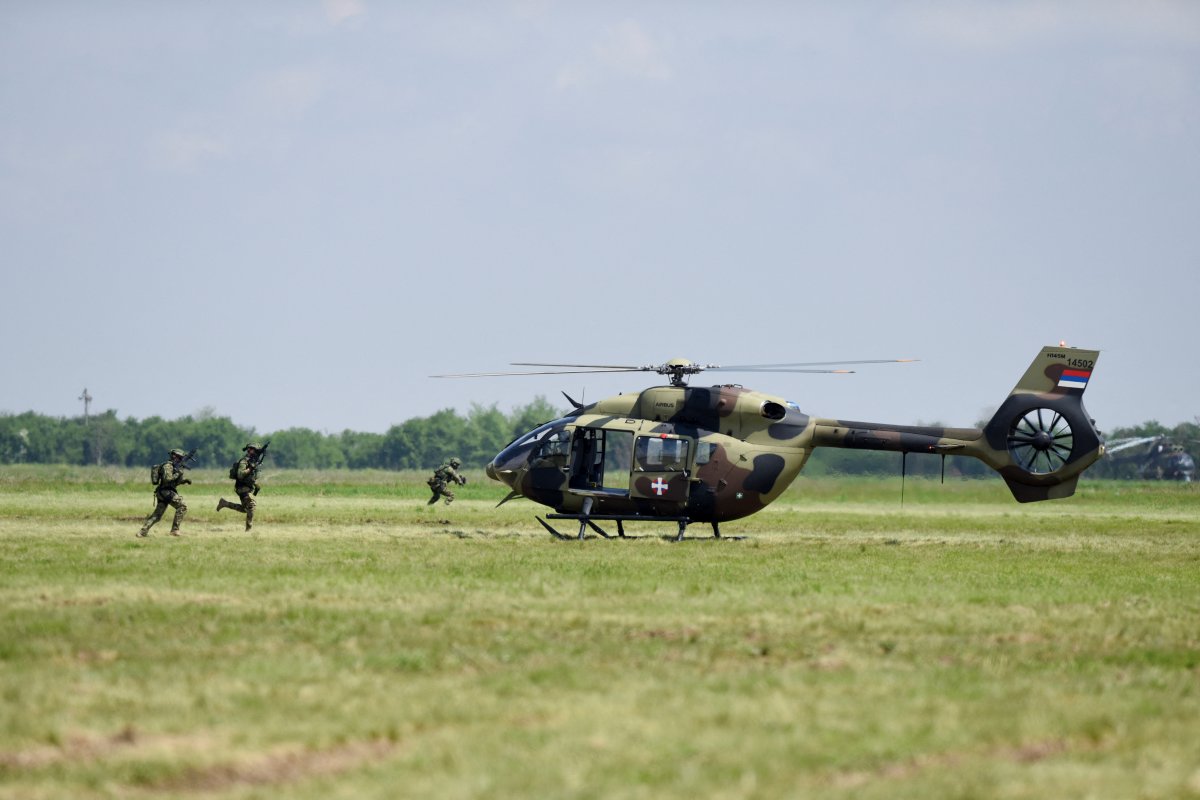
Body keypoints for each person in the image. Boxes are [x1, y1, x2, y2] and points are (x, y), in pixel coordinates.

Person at [139, 449, 191, 537]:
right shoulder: (168, 466)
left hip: (164, 492)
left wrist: (184, 481)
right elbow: (168, 479)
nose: (181, 460)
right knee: (182, 507)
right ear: (174, 457)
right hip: (166, 492)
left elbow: (174, 483)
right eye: (180, 458)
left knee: (157, 515)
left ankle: (142, 532)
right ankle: (175, 530)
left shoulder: (174, 466)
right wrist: (178, 474)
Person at [216, 442, 263, 531]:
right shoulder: (244, 461)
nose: (255, 452)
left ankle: (224, 503)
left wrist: (256, 483)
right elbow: (240, 475)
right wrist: (250, 468)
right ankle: (248, 529)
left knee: (246, 509)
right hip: (241, 487)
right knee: (251, 506)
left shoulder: (253, 462)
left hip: (247, 488)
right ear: (249, 450)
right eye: (254, 450)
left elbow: (254, 476)